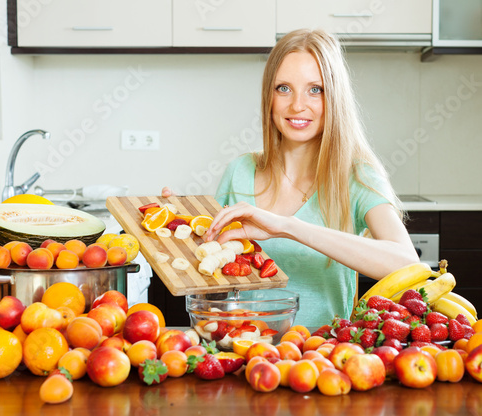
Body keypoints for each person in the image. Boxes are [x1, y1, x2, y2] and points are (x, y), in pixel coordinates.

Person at [165, 29, 419, 328]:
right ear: (268, 97)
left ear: (334, 97)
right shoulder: (240, 171)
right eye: (283, 88)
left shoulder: (356, 177)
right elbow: (208, 275)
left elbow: (406, 262)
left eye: (316, 89)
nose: (298, 105)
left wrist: (288, 228)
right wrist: (175, 231)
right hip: (242, 356)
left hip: (321, 361)